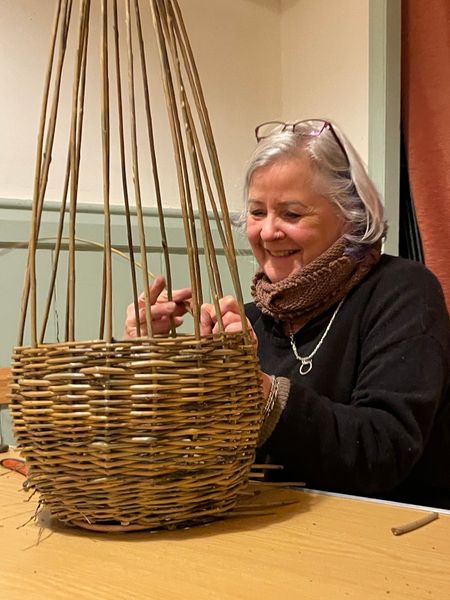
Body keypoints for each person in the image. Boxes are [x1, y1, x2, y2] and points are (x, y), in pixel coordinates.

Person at [124, 119, 450, 509]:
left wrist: (262, 396)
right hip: (271, 527)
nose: (267, 232)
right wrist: (152, 362)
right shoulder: (250, 319)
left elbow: (384, 450)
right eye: (257, 212)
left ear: (351, 216)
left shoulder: (404, 292)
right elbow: (190, 457)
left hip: (389, 534)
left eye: (292, 214)